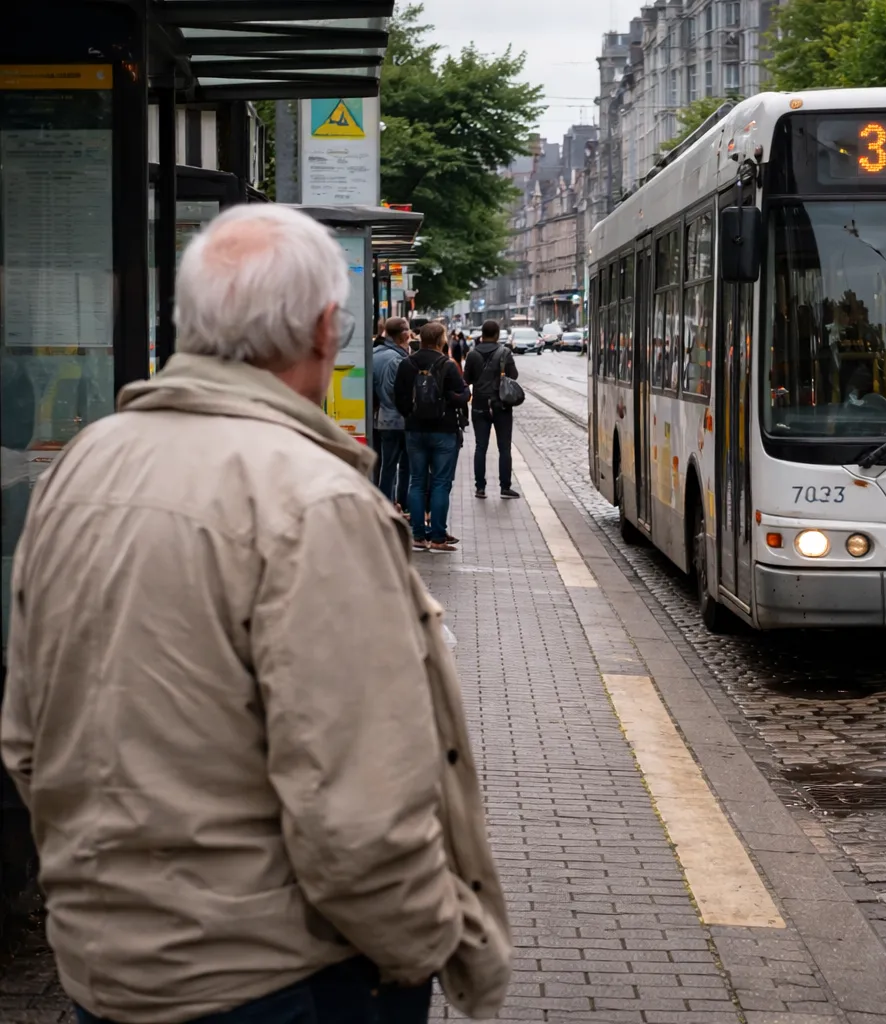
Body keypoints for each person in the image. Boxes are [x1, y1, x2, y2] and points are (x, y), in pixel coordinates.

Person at [0, 204, 510, 1024]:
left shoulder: (82, 466)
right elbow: (361, 810)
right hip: (282, 976)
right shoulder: (314, 499)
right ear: (321, 330)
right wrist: (429, 949)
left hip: (110, 966)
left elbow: (26, 735)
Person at [395, 322, 469, 551]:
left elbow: (399, 398)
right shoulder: (447, 365)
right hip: (444, 430)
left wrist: (410, 415)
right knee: (440, 483)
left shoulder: (407, 364)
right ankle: (437, 536)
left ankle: (418, 535)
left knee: (416, 482)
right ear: (440, 340)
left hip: (414, 430)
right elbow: (461, 396)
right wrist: (458, 395)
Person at [463, 320, 520, 500]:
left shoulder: (472, 355)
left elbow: (467, 379)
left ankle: (480, 487)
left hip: (480, 403)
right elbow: (514, 376)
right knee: (504, 447)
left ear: (482, 334)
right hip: (501, 404)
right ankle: (505, 487)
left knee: (480, 446)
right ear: (497, 335)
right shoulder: (505, 353)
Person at [373, 316, 412, 514]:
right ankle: (393, 504)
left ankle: (389, 501)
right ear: (403, 334)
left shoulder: (376, 353)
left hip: (381, 418)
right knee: (400, 465)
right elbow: (394, 393)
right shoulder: (396, 359)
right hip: (396, 419)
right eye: (408, 330)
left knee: (387, 465)